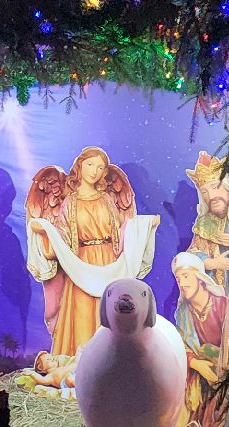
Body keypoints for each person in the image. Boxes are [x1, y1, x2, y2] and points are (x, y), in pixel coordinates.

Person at [24, 146, 158, 357]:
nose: (95, 171)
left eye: (100, 167)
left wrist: (145, 225)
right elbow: (63, 241)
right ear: (80, 165)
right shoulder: (70, 202)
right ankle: (79, 369)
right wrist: (45, 230)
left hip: (108, 262)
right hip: (81, 266)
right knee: (83, 314)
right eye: (90, 164)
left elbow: (120, 232)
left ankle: (113, 364)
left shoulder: (106, 199)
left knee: (109, 310)